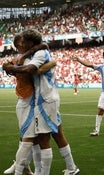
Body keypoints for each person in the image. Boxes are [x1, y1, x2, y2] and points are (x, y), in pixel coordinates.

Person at [3, 29, 79, 175]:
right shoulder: (34, 52)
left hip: (44, 99)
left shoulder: (38, 54)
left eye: (23, 42)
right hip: (42, 99)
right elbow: (41, 49)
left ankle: (30, 169)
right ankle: (70, 167)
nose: (21, 45)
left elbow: (31, 68)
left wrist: (12, 67)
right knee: (51, 136)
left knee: (42, 139)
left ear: (30, 43)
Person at [3, 34, 56, 175]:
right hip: (26, 101)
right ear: (20, 45)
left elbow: (43, 46)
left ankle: (29, 168)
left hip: (35, 101)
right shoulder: (19, 60)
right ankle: (20, 168)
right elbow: (31, 70)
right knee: (27, 139)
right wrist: (52, 63)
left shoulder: (27, 56)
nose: (25, 44)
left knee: (35, 139)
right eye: (22, 42)